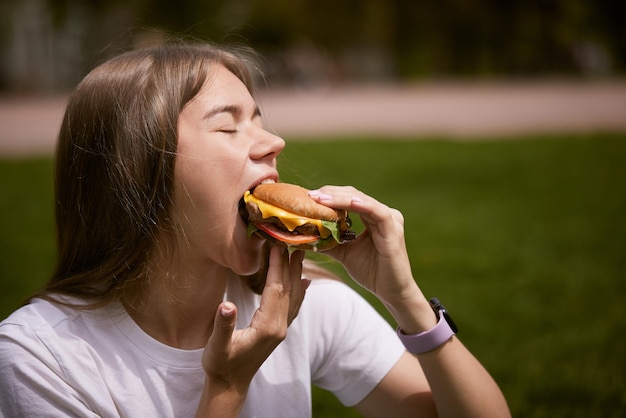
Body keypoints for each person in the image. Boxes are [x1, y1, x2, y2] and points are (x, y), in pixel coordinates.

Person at [0, 42, 510, 417]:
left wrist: (408, 304)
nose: (273, 142)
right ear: (136, 171)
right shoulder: (42, 360)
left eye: (260, 120)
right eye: (228, 126)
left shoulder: (300, 302)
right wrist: (225, 388)